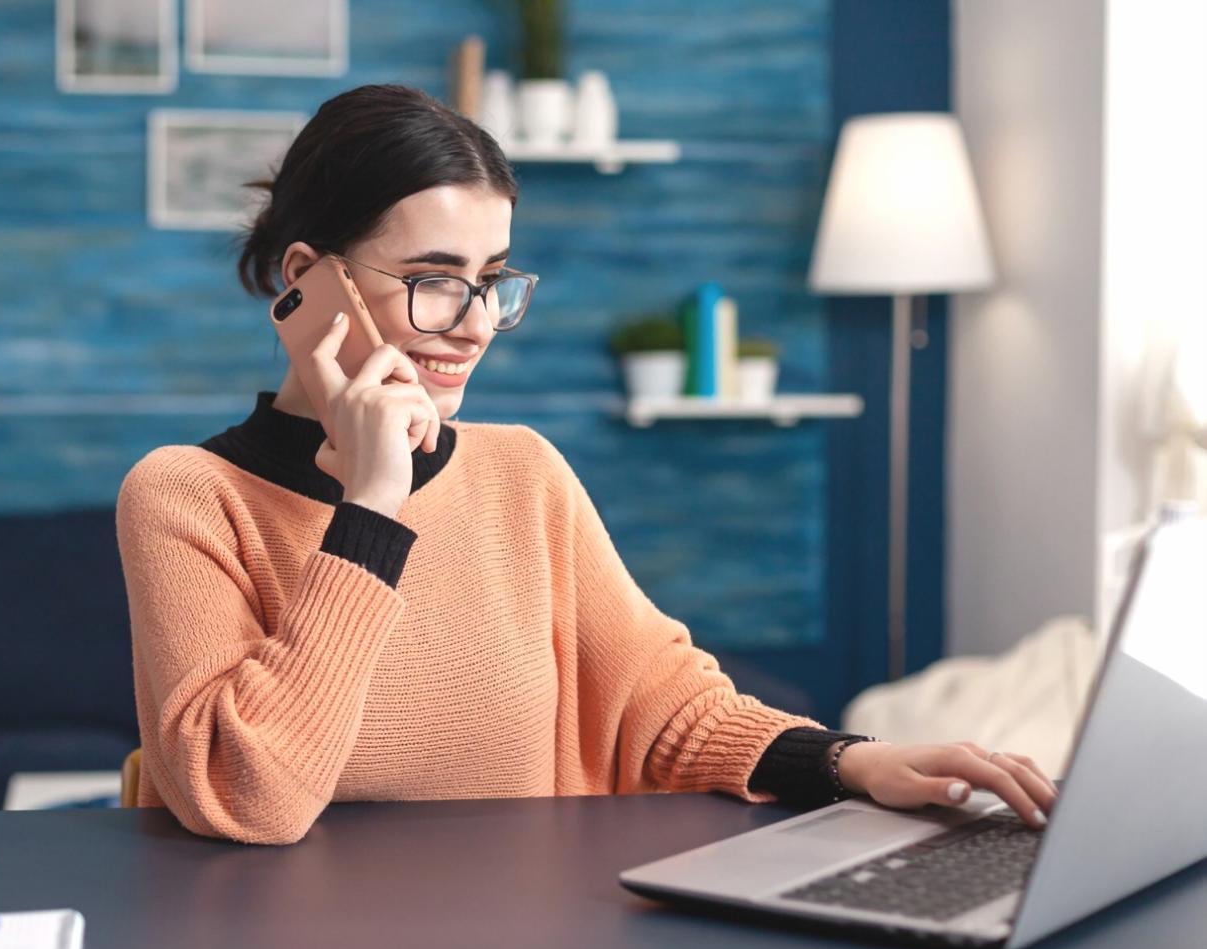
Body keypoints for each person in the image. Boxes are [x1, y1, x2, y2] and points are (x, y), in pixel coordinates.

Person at [114, 83, 1058, 845]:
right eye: (436, 281)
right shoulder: (187, 497)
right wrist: (370, 504)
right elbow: (250, 793)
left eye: (491, 282)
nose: (476, 324)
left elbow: (663, 702)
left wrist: (852, 760)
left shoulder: (523, 474)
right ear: (306, 276)